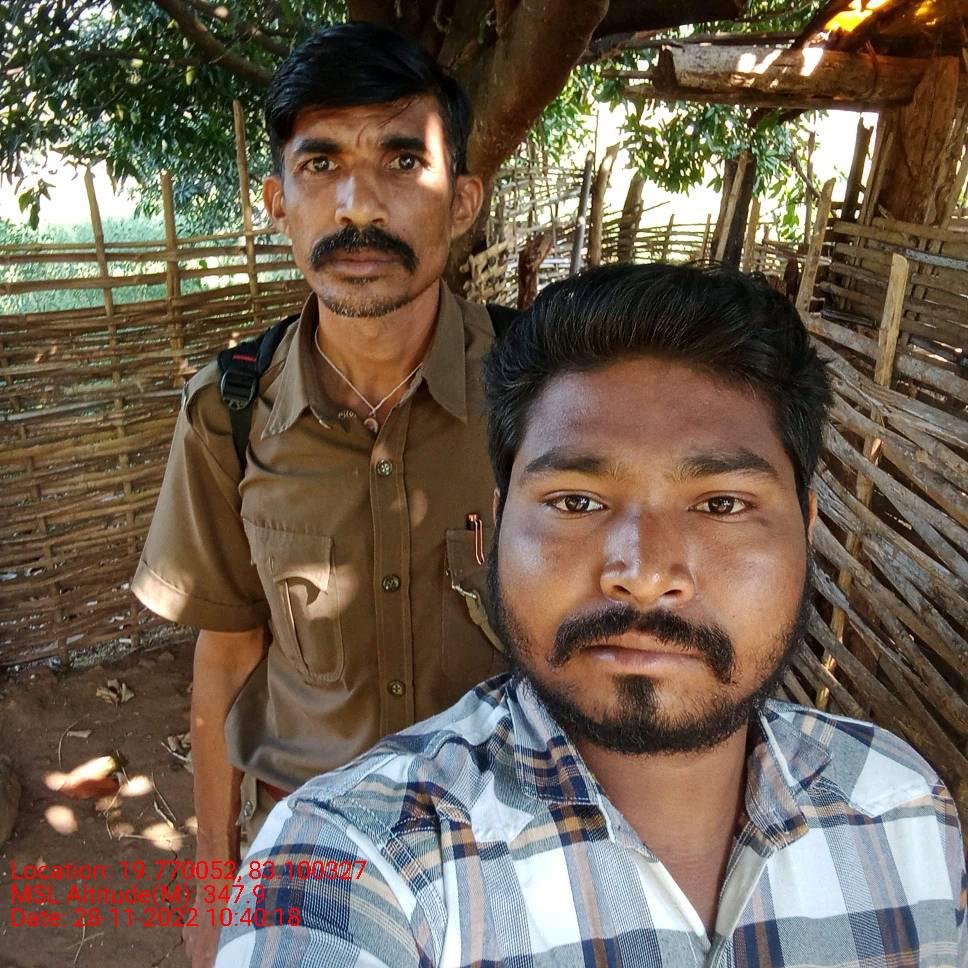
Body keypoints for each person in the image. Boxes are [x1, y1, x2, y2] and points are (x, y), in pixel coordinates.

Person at [215, 263, 966, 967]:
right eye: (576, 501)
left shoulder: (902, 808)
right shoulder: (349, 864)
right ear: (498, 524)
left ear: (805, 525)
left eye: (721, 504)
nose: (643, 574)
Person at [131, 22, 507, 967]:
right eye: (321, 163)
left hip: (509, 851)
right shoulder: (228, 412)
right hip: (310, 858)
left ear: (463, 200)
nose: (358, 204)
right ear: (277, 202)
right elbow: (227, 652)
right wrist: (212, 879)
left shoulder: (540, 394)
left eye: (401, 161)